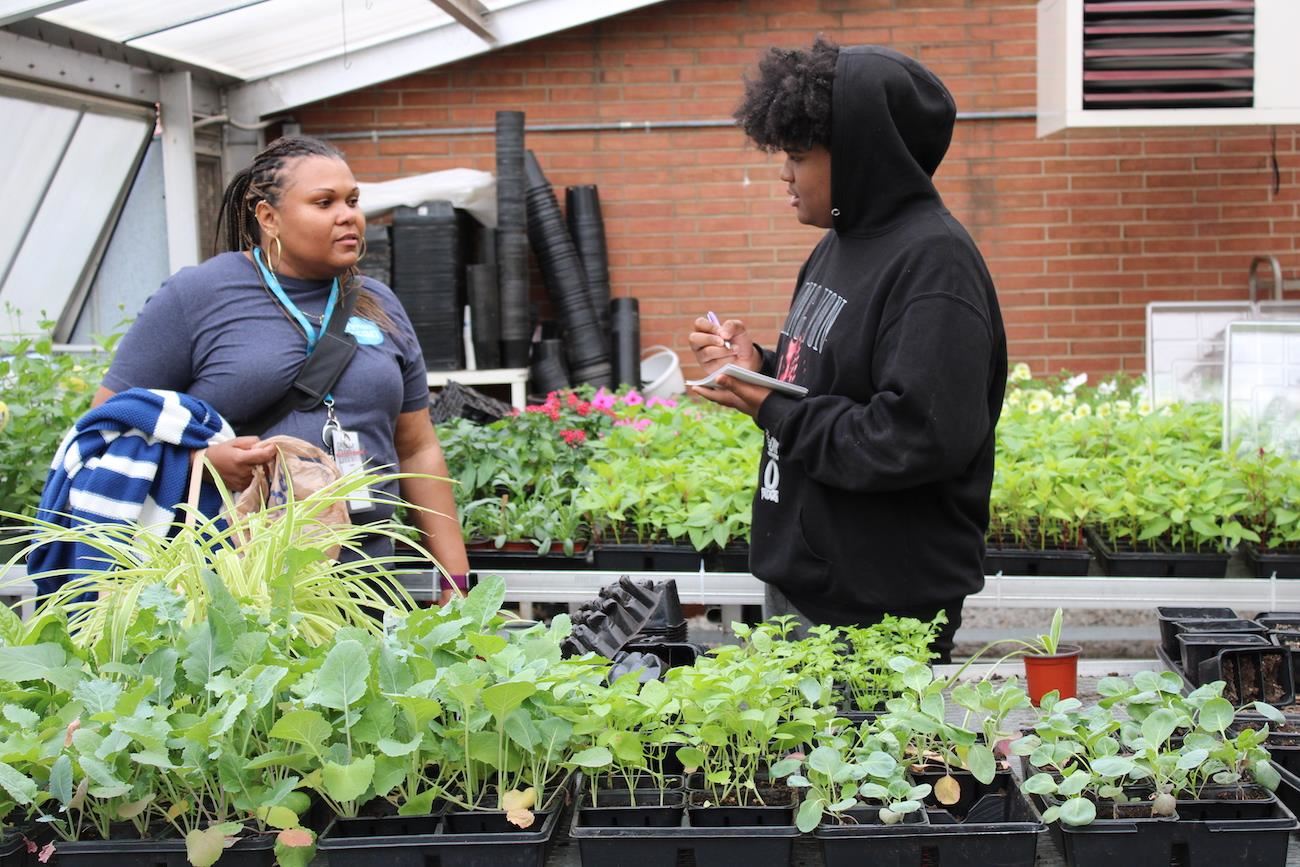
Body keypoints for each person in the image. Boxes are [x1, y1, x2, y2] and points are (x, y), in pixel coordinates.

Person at [688, 40, 1007, 663]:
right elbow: (836, 375)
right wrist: (760, 365)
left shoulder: (934, 264)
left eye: (800, 156)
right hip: (810, 581)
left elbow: (912, 435)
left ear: (865, 159)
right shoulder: (841, 242)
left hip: (877, 609)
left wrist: (771, 409)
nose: (785, 172)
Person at [91, 135, 469, 605]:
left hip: (365, 582)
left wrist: (457, 585)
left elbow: (417, 449)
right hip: (232, 589)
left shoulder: (379, 303)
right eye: (324, 202)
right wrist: (201, 465)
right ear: (268, 217)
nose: (347, 215)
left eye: (352, 201)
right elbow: (105, 431)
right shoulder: (199, 296)